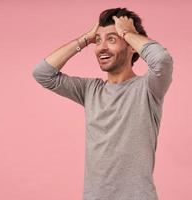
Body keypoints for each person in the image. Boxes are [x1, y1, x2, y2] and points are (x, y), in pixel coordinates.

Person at [32, 7, 173, 200]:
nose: (101, 47)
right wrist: (85, 39)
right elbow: (43, 73)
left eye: (112, 39)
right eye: (98, 41)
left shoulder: (148, 88)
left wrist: (128, 32)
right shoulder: (90, 90)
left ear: (132, 46)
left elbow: (162, 60)